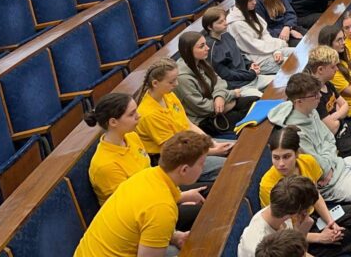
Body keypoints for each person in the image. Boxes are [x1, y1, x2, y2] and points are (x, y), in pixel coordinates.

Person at [74, 131, 214, 257]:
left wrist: (176, 236)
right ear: (184, 170)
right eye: (201, 164)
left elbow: (143, 225)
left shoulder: (146, 176)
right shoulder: (161, 208)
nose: (203, 168)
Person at [84, 93, 206, 233]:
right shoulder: (105, 165)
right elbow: (132, 207)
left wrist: (177, 195)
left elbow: (153, 175)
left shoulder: (131, 136)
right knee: (203, 211)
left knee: (209, 191)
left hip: (156, 193)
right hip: (140, 219)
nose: (138, 116)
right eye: (131, 114)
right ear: (113, 122)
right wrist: (179, 198)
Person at [258, 127, 351, 256]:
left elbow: (315, 195)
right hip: (296, 233)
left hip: (313, 216)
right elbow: (281, 233)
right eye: (276, 157)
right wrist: (320, 237)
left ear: (297, 153)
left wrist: (330, 221)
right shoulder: (268, 185)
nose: (281, 163)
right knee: (348, 236)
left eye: (286, 156)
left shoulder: (308, 161)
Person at [267, 72, 351, 204]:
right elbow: (320, 168)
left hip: (339, 164)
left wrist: (330, 162)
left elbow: (330, 139)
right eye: (314, 95)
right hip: (332, 185)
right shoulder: (295, 133)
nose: (319, 96)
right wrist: (328, 163)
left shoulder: (311, 111)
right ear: (299, 101)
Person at [135, 58, 234, 183]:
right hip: (176, 160)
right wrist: (212, 151)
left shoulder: (168, 95)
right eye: (171, 81)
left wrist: (211, 142)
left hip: (190, 145)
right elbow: (173, 151)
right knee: (232, 166)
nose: (176, 84)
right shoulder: (149, 114)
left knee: (238, 148)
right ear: (155, 83)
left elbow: (188, 124)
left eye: (176, 79)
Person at [176, 30, 259, 137]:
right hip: (205, 119)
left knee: (256, 102)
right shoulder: (182, 77)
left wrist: (219, 96)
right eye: (201, 46)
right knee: (248, 120)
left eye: (205, 44)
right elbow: (201, 108)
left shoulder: (201, 61)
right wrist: (231, 96)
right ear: (188, 51)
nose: (207, 48)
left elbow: (218, 81)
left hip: (220, 104)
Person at [203, 7, 275, 97]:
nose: (225, 23)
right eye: (220, 22)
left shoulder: (227, 35)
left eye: (225, 19)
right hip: (239, 86)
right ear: (210, 27)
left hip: (251, 77)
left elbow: (239, 55)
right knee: (262, 99)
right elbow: (226, 74)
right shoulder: (211, 47)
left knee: (281, 83)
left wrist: (250, 64)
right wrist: (250, 74)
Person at [227, 0, 295, 73]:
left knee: (300, 54)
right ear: (241, 1)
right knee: (294, 64)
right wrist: (279, 44)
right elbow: (255, 46)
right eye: (250, 0)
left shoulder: (249, 12)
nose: (255, 2)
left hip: (270, 51)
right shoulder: (236, 24)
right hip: (259, 60)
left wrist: (276, 51)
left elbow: (265, 34)